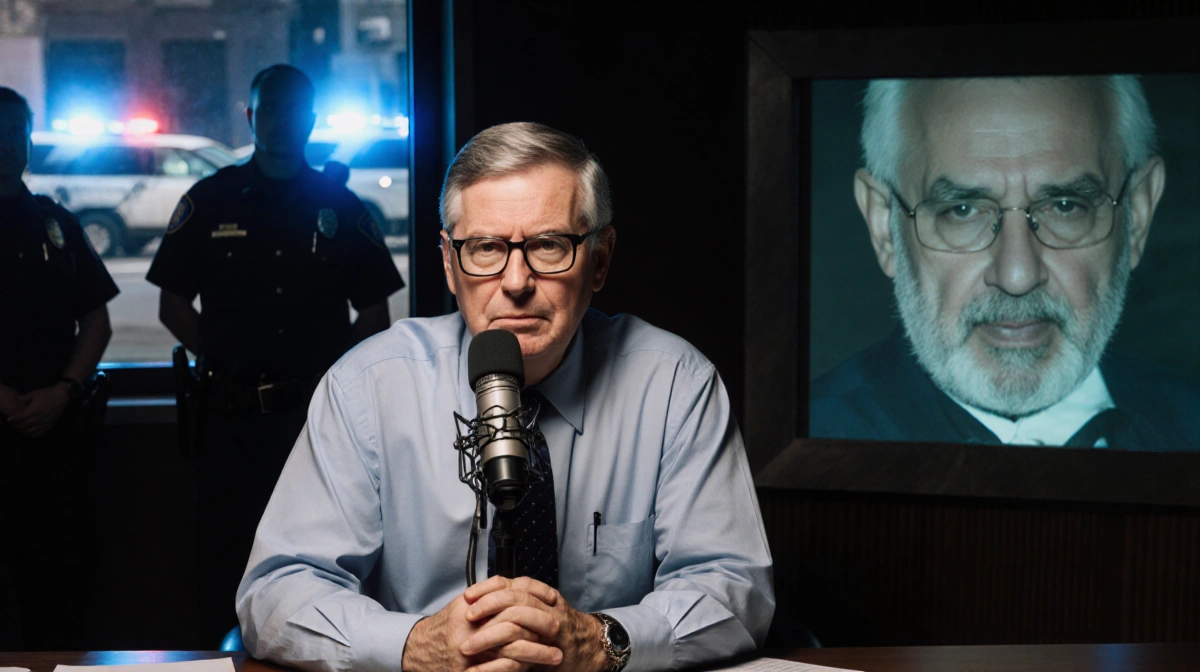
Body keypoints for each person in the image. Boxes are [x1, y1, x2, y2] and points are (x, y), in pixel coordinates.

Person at [236, 122, 774, 672]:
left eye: (548, 244)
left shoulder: (676, 385)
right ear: (449, 261)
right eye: (487, 247)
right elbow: (276, 592)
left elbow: (735, 586)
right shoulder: (367, 388)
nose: (515, 281)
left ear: (600, 260)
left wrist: (600, 641)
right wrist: (416, 646)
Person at [145, 64, 405, 643]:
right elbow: (171, 304)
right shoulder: (209, 200)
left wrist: (337, 387)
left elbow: (374, 316)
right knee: (221, 562)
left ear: (309, 120)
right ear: (250, 116)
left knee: (324, 566)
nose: (281, 123)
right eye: (269, 111)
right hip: (229, 417)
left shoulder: (341, 207)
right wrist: (224, 357)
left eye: (293, 112)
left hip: (312, 421)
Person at [810, 75, 1200, 451]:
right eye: (962, 210)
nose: (1017, 275)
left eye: (1065, 207)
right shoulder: (777, 458)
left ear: (1138, 215)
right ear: (884, 226)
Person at [0, 86, 119, 649]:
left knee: (59, 594)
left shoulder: (56, 223)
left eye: (13, 132)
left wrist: (65, 391)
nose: (4, 144)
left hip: (55, 439)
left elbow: (97, 320)